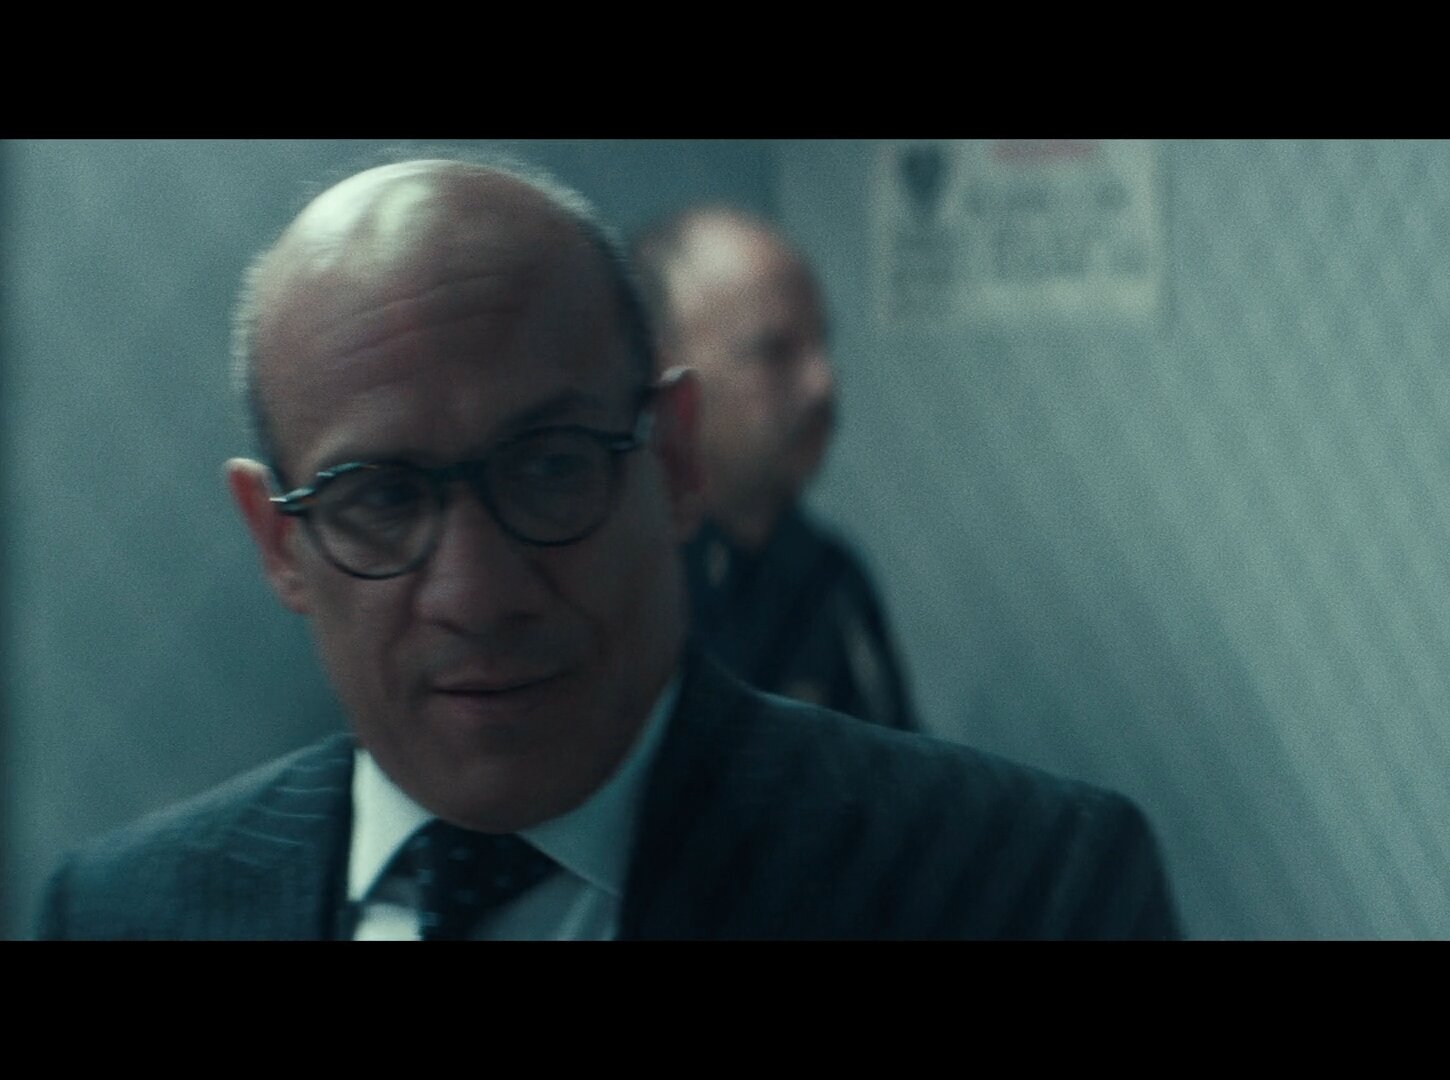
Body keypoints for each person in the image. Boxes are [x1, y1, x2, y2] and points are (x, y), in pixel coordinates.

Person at [35, 157, 1180, 940]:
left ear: (673, 461)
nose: (477, 591)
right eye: (379, 496)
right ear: (279, 541)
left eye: (548, 466)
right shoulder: (120, 913)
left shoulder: (1025, 887)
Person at [632, 208, 916, 731]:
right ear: (664, 375)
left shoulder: (833, 577)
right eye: (775, 352)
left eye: (822, 343)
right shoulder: (617, 584)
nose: (823, 384)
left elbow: (893, 771)